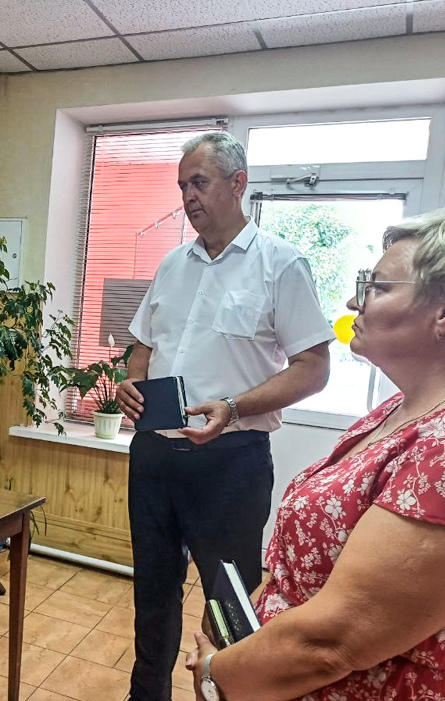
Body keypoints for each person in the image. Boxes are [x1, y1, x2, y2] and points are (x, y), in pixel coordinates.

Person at [185, 207, 445, 701]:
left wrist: (217, 673)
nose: (354, 302)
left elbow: (334, 641)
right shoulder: (402, 408)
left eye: (377, 287)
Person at [116, 132, 334, 701]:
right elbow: (143, 345)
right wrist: (131, 384)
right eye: (182, 186)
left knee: (230, 602)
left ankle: (225, 694)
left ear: (238, 184)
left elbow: (313, 368)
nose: (188, 196)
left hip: (230, 461)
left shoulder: (280, 264)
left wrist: (234, 406)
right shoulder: (172, 264)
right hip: (155, 457)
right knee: (152, 591)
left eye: (199, 182)